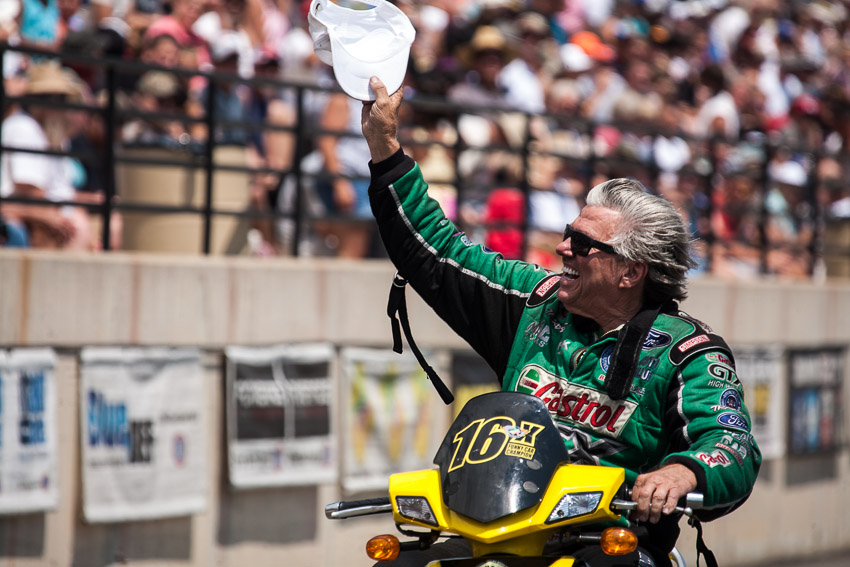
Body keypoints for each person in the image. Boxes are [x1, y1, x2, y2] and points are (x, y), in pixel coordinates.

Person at [360, 76, 761, 566]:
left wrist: (682, 474)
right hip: (491, 530)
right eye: (570, 232)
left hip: (606, 545)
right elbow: (439, 251)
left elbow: (731, 443)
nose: (563, 248)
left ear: (630, 272)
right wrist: (385, 148)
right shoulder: (534, 302)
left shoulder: (687, 352)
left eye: (585, 244)